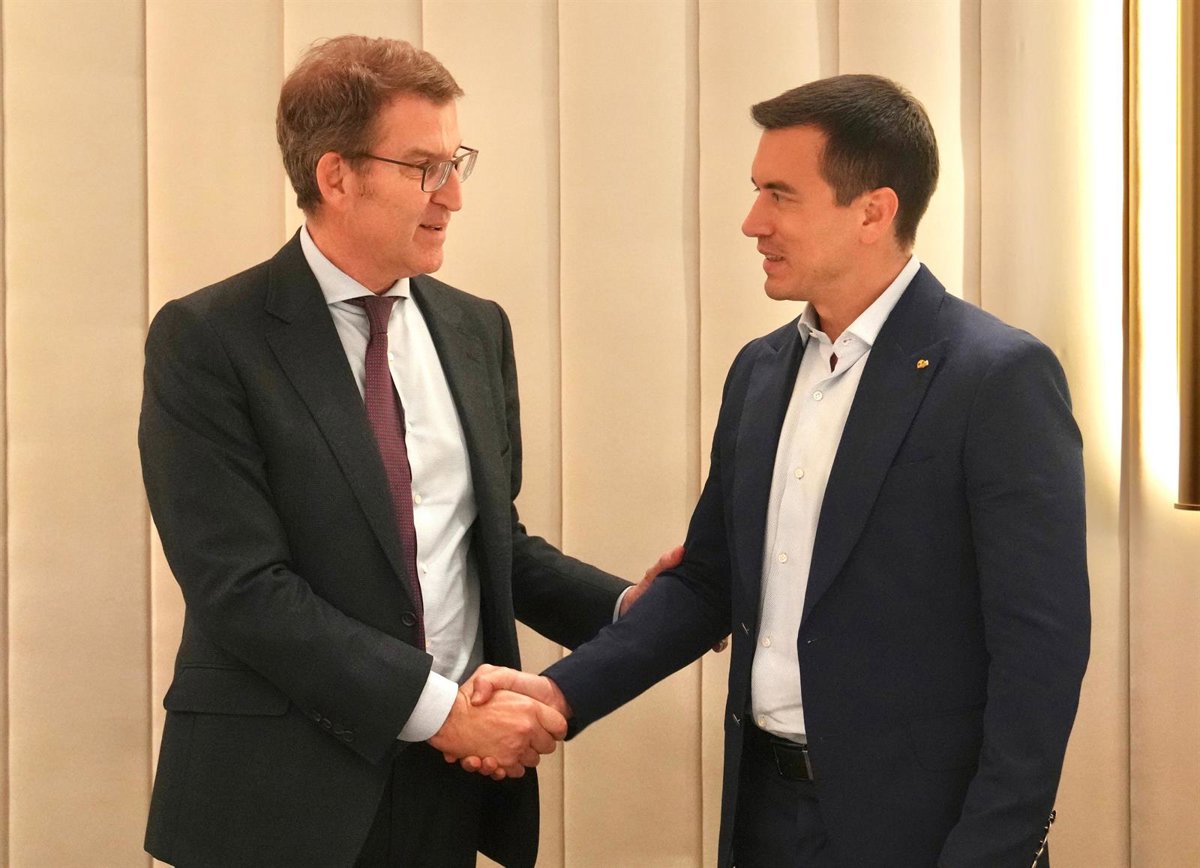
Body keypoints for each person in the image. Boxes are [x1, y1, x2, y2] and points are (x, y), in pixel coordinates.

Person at [468, 74, 1091, 867]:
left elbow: (1041, 651)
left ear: (874, 211)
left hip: (925, 834)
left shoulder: (996, 377)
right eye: (756, 190)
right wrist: (560, 692)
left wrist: (992, 850)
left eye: (780, 195)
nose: (752, 221)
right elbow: (708, 583)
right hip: (764, 815)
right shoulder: (759, 371)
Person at [139, 34, 670, 868]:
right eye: (425, 168)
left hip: (447, 784)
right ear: (336, 176)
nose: (453, 196)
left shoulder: (476, 328)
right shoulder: (209, 339)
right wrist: (439, 710)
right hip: (277, 792)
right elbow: (239, 587)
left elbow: (487, 542)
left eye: (456, 163)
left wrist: (634, 612)